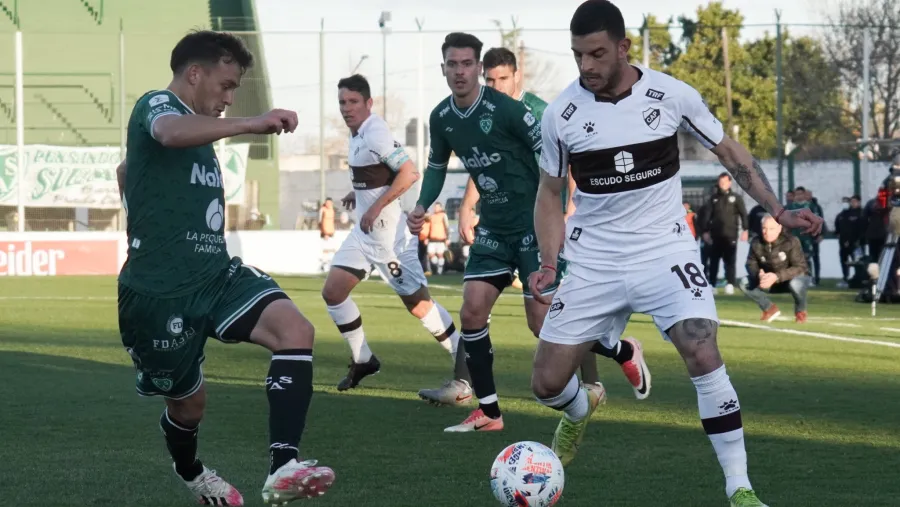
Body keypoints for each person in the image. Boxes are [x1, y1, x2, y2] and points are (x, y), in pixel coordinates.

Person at [528, 3, 822, 506]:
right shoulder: (562, 115)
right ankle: (579, 412)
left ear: (623, 47)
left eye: (598, 53)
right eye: (578, 55)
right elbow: (550, 193)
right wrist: (550, 262)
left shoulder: (671, 95)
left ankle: (741, 488)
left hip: (664, 249)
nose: (587, 67)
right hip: (595, 258)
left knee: (701, 347)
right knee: (547, 384)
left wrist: (778, 208)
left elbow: (733, 155)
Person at [115, 31, 334, 506]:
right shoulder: (157, 105)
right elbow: (167, 133)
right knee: (190, 407)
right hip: (158, 294)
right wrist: (251, 123)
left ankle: (283, 467)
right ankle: (193, 474)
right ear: (195, 73)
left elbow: (126, 172)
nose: (229, 97)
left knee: (295, 330)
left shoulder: (199, 128)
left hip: (216, 276)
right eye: (226, 85)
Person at [410, 32, 650, 431]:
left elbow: (553, 154)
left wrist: (563, 206)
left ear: (478, 68)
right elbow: (437, 167)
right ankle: (489, 413)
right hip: (493, 229)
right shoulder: (442, 117)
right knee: (471, 311)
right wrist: (422, 205)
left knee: (543, 325)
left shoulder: (508, 111)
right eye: (452, 64)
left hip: (531, 228)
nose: (460, 72)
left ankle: (621, 349)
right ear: (443, 69)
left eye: (467, 64)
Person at [454, 45, 603, 386]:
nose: (495, 87)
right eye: (489, 80)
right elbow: (483, 165)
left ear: (517, 76)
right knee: (474, 303)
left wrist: (570, 209)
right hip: (498, 224)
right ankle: (461, 386)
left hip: (537, 225)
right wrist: (466, 207)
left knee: (543, 319)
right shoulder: (481, 113)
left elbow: (569, 161)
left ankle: (595, 380)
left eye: (502, 79)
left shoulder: (538, 112)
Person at [321, 74, 467, 401]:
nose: (347, 108)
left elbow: (409, 172)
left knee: (418, 305)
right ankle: (363, 359)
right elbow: (378, 173)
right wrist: (356, 193)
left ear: (368, 104)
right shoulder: (358, 134)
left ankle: (464, 355)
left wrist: (376, 208)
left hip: (389, 241)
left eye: (353, 102)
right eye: (342, 102)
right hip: (364, 236)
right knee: (333, 292)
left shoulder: (375, 132)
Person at [739, 215, 811, 323]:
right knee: (743, 283)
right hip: (768, 281)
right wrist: (759, 275)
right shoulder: (756, 242)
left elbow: (800, 267)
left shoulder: (791, 241)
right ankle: (769, 309)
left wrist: (777, 276)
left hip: (790, 280)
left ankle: (800, 312)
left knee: (796, 283)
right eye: (764, 228)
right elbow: (750, 263)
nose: (767, 232)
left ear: (779, 228)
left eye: (771, 228)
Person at [702, 172, 749, 295]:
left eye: (725, 182)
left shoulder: (736, 198)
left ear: (729, 183)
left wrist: (745, 230)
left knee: (730, 261)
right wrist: (705, 231)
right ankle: (712, 284)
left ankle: (730, 283)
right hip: (715, 235)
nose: (722, 184)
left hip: (731, 235)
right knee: (714, 261)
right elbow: (707, 216)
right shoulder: (713, 199)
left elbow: (743, 214)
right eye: (720, 182)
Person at [835, 195, 865, 288]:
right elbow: (840, 228)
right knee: (844, 261)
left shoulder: (861, 213)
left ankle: (859, 279)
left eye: (854, 201)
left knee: (858, 262)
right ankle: (845, 278)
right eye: (851, 201)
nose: (852, 203)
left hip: (856, 243)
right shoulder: (844, 214)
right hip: (843, 243)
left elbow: (862, 229)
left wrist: (856, 240)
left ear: (859, 202)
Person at [426, 202, 451, 274]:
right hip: (432, 240)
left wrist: (448, 238)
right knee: (431, 254)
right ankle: (438, 266)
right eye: (435, 207)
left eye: (437, 207)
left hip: (441, 240)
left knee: (440, 255)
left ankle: (439, 270)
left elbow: (447, 227)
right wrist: (427, 238)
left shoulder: (443, 215)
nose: (435, 208)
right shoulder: (431, 216)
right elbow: (428, 228)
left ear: (440, 208)